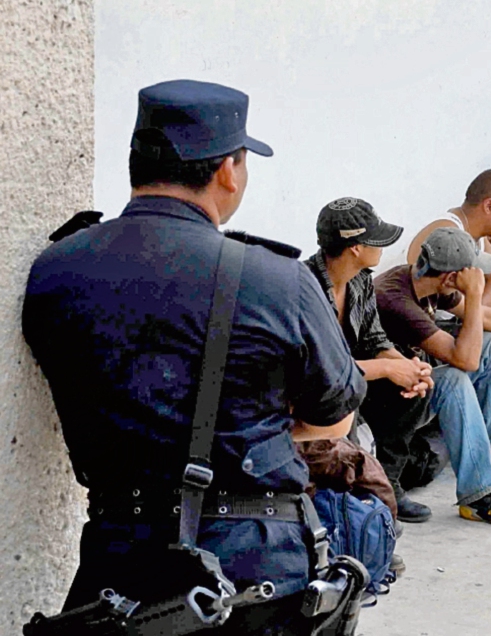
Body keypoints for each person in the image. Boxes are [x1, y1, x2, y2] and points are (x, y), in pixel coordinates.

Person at [23, 80, 367, 632]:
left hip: (117, 563)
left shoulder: (55, 270)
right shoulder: (278, 280)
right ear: (228, 171)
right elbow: (334, 417)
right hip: (252, 575)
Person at [375, 228, 491, 527]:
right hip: (386, 401)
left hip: (412, 379)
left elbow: (486, 318)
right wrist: (473, 294)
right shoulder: (395, 300)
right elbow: (466, 361)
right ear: (450, 277)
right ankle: (480, 495)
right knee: (453, 381)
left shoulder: (427, 280)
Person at [303, 198, 435, 526]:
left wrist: (405, 366)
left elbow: (374, 340)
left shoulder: (361, 280)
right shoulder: (304, 288)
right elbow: (322, 369)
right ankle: (356, 510)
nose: (383, 246)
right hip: (316, 395)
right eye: (375, 239)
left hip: (352, 380)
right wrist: (390, 368)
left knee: (415, 388)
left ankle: (388, 484)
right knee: (346, 402)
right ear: (355, 248)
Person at [405, 169, 491, 341]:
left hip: (460, 314)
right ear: (489, 206)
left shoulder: (481, 236)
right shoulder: (450, 234)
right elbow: (477, 312)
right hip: (429, 327)